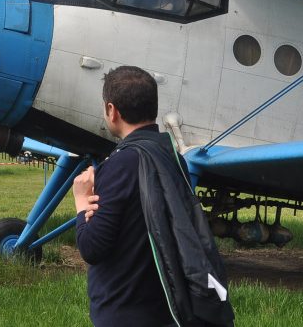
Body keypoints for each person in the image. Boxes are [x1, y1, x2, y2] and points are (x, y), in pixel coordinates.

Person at [73, 66, 233, 327]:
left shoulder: (120, 165)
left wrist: (81, 201)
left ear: (112, 110)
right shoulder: (173, 157)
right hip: (166, 309)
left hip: (124, 312)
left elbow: (92, 247)